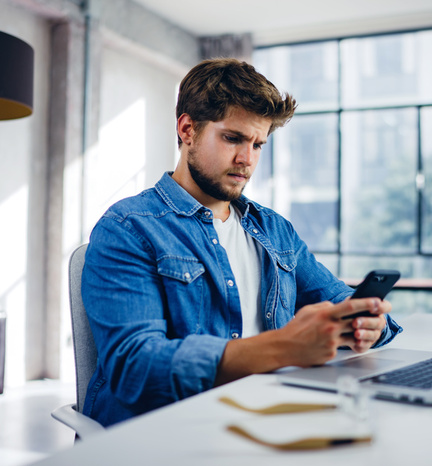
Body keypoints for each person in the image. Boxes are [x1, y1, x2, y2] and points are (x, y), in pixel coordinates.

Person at [81, 58, 403, 427]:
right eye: (233, 138)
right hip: (175, 431)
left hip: (266, 417)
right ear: (187, 129)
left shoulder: (273, 230)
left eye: (258, 145)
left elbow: (340, 300)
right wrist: (282, 348)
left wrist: (368, 325)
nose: (246, 160)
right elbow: (135, 367)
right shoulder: (129, 227)